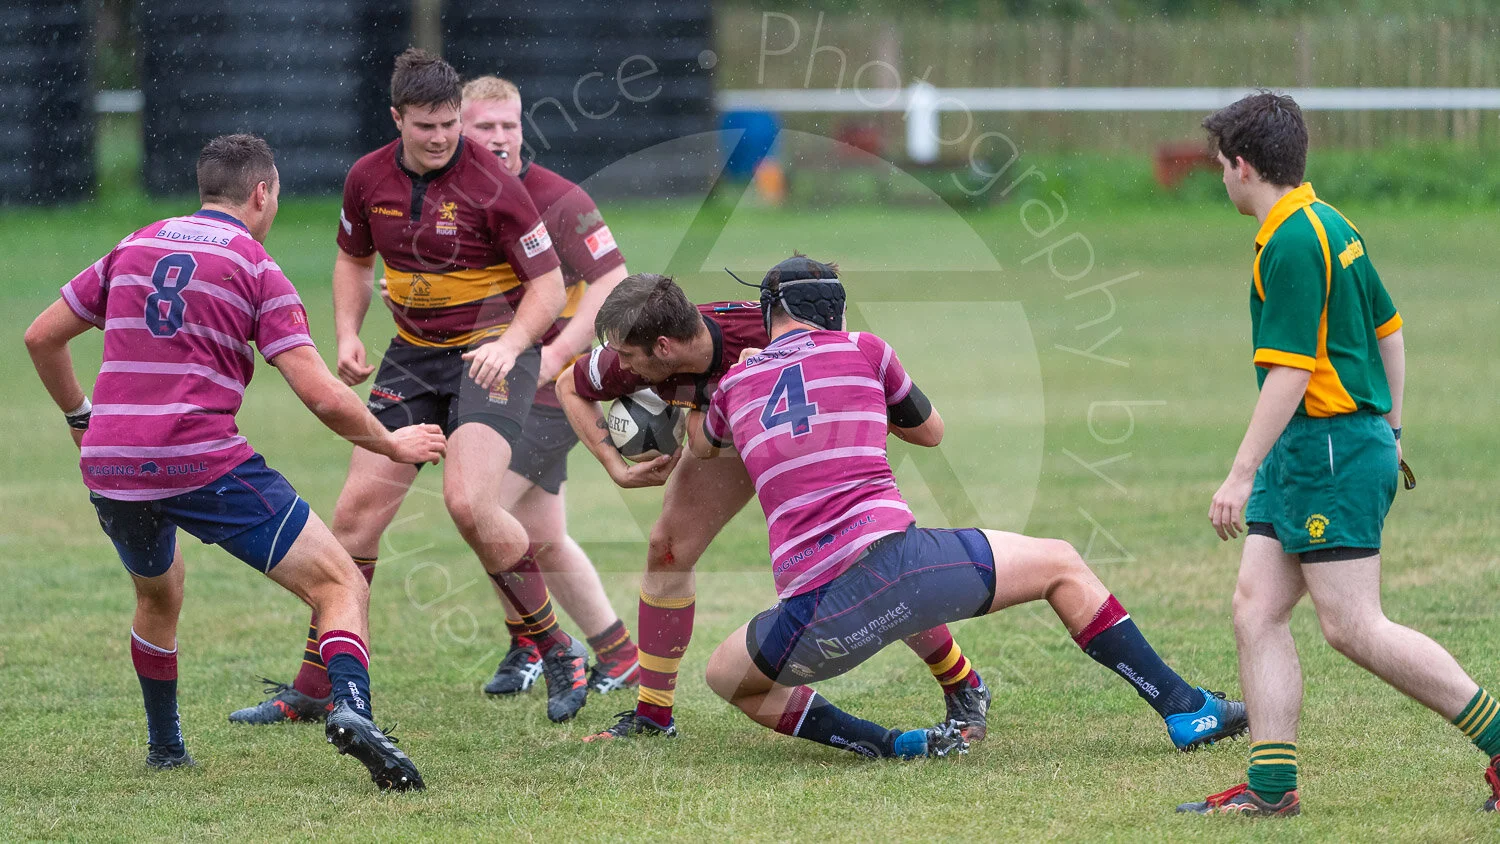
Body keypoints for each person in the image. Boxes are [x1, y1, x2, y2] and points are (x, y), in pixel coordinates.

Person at [692, 257, 1248, 760]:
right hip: (906, 569)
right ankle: (1183, 706)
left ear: (770, 314)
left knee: (728, 677)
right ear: (834, 310)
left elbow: (702, 443)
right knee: (1061, 565)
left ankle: (888, 744)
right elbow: (930, 433)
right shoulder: (864, 349)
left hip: (813, 614)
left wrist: (697, 392)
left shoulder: (736, 382)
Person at [23, 134, 444, 790]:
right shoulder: (255, 266)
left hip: (113, 464)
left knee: (158, 594)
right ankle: (355, 711)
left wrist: (82, 418)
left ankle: (166, 749)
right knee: (340, 584)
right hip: (202, 460)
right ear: (261, 193)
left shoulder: (134, 244)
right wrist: (391, 444)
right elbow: (319, 393)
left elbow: (41, 336)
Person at [227, 49, 588, 727]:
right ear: (397, 119)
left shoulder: (494, 185)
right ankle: (315, 687)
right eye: (426, 125)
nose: (443, 136)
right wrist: (348, 334)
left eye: (451, 123)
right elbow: (353, 259)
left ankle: (558, 649)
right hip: (413, 358)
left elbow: (546, 286)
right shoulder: (367, 178)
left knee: (468, 504)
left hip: (491, 359)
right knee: (355, 516)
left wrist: (509, 346)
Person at [1178, 91, 1500, 817]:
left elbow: (1292, 372)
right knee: (1256, 608)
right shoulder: (1331, 223)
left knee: (1353, 626)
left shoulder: (1294, 239)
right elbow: (1390, 330)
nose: (1221, 178)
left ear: (1244, 165)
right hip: (1323, 444)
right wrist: (1389, 423)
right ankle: (1269, 790)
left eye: (1221, 165)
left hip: (1325, 446)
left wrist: (1240, 472)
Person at [458, 75, 639, 699]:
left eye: (510, 125)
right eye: (486, 127)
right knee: (538, 534)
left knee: (481, 509)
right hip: (486, 387)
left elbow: (614, 278)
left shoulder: (556, 197)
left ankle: (538, 646)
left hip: (548, 391)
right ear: (458, 130)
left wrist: (558, 352)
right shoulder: (449, 198)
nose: (501, 137)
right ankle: (613, 653)